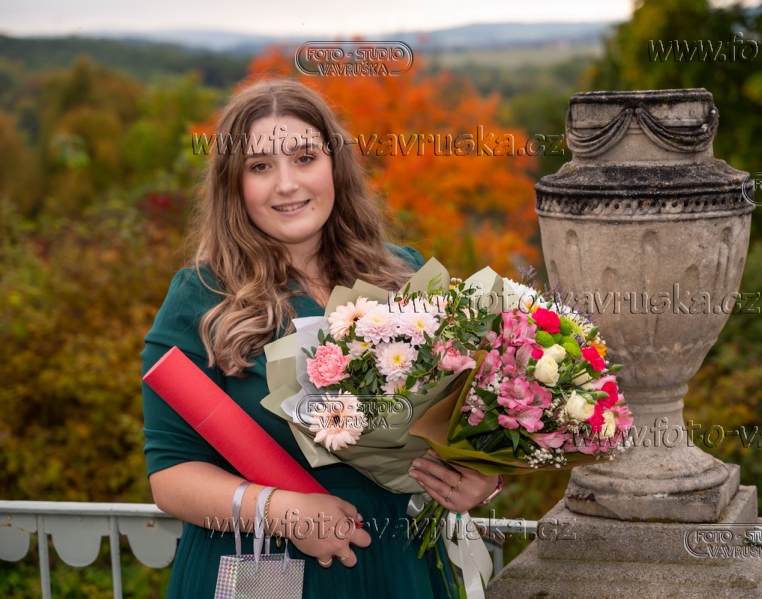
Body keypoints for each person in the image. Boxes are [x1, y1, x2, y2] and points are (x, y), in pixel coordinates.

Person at [141, 79, 501, 598]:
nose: (286, 184)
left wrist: (480, 478)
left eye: (305, 158)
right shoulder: (202, 297)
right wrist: (281, 511)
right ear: (234, 185)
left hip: (398, 565)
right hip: (263, 566)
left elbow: (465, 418)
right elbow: (170, 476)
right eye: (260, 166)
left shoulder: (405, 276)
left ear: (335, 166)